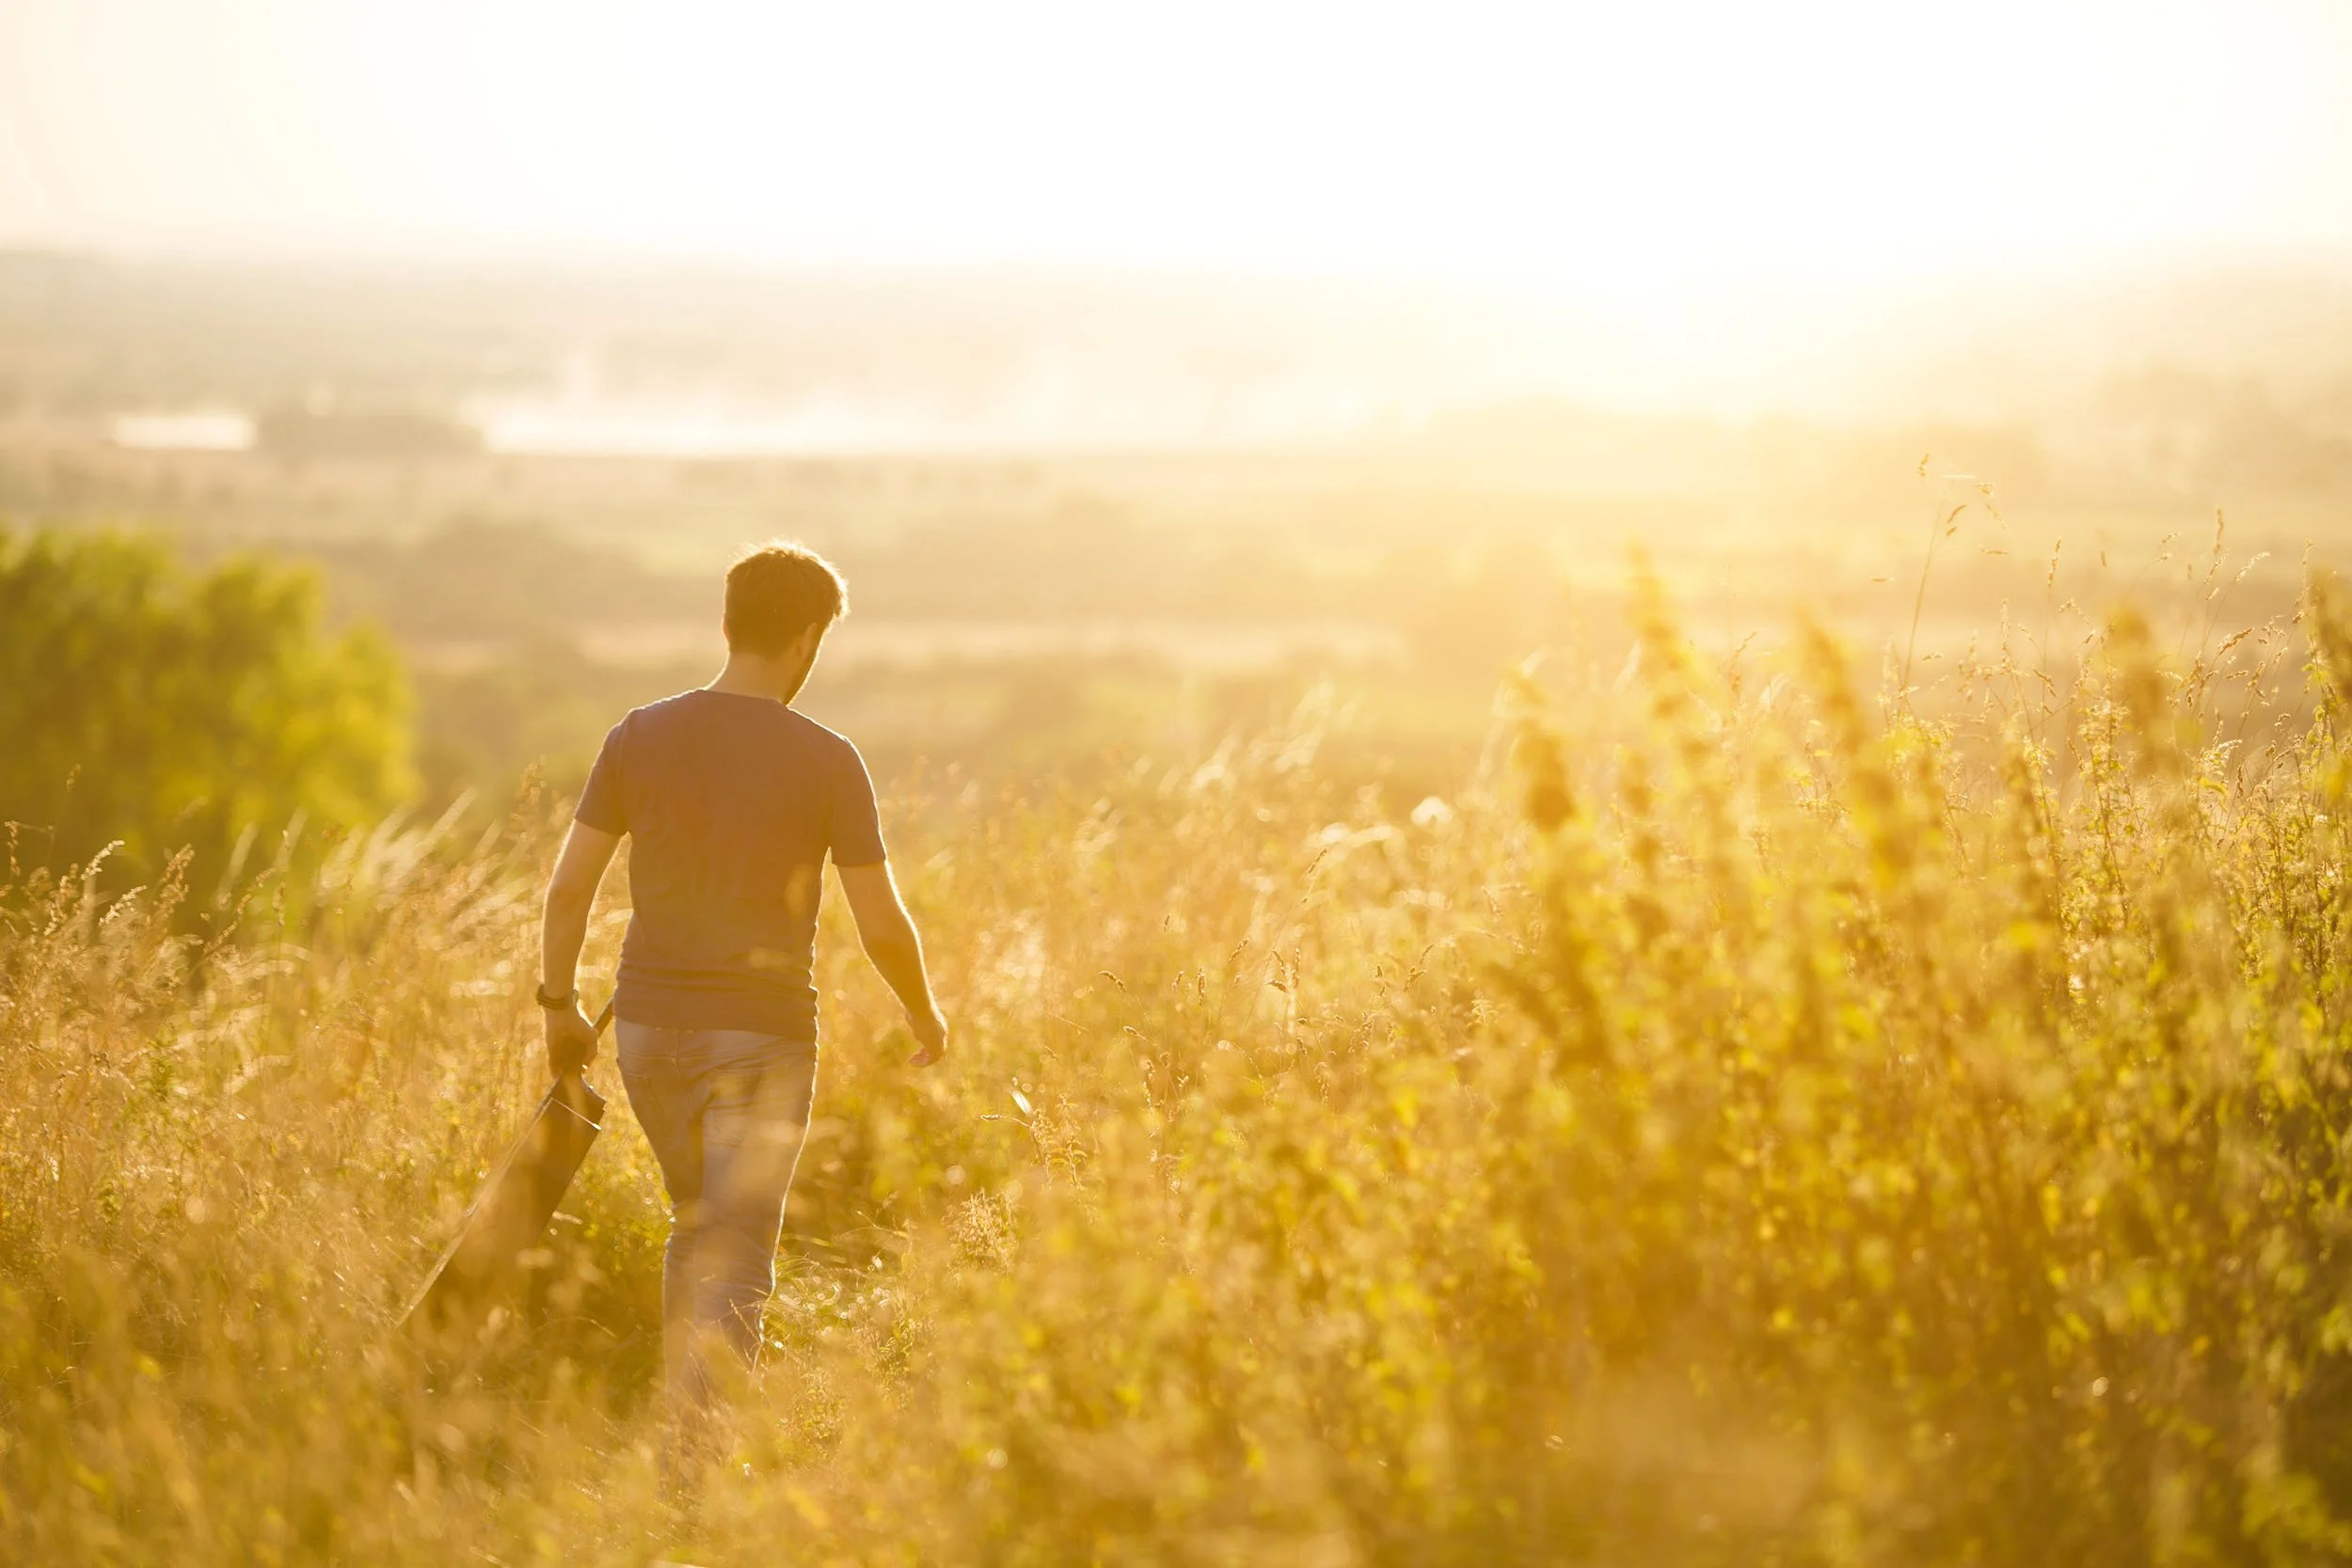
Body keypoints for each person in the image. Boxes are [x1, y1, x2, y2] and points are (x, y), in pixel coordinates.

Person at [532, 540, 947, 1463]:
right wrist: (923, 1010)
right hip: (761, 1038)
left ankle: (684, 1442)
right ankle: (696, 1464)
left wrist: (558, 1004)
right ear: (806, 638)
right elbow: (881, 923)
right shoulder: (829, 759)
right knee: (738, 1250)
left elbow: (567, 890)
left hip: (648, 1035)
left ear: (727, 622)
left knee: (697, 1229)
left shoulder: (637, 735)